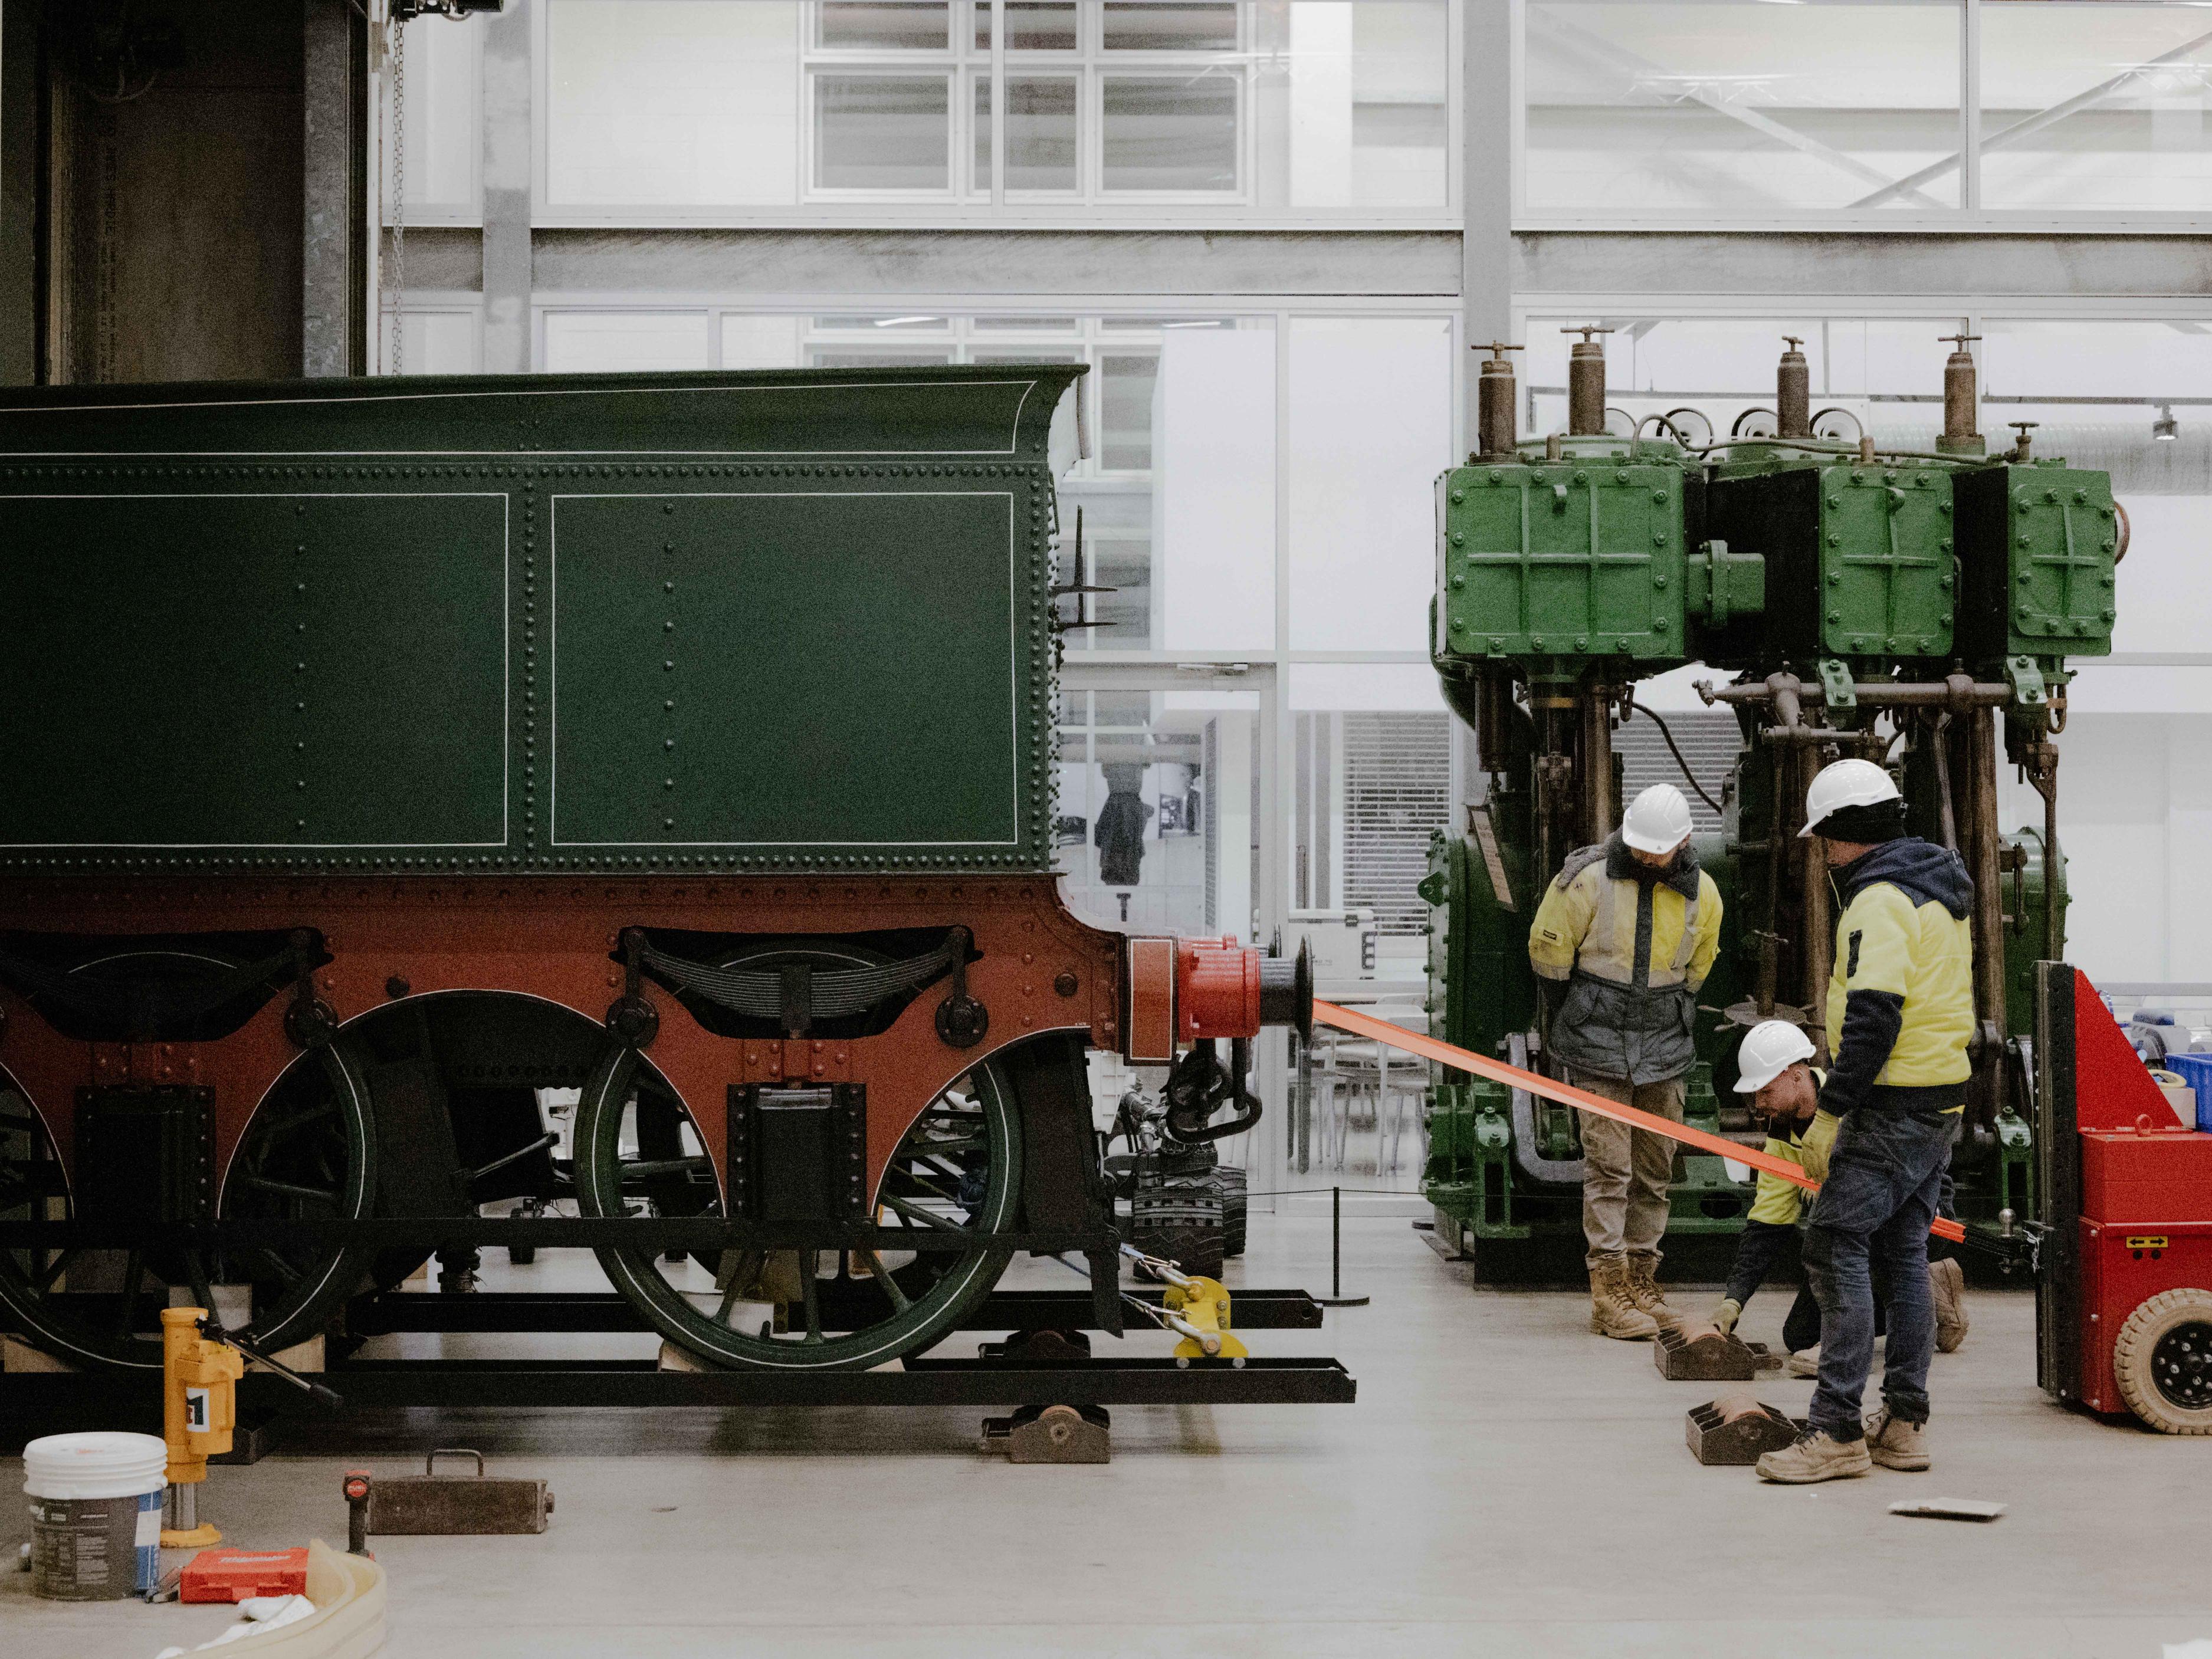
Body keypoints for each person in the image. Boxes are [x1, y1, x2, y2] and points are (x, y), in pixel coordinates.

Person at [1754, 758, 1974, 1485]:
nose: (1821, 852)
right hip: (1938, 1097)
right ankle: (1905, 1423)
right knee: (1904, 1253)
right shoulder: (1937, 889)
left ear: (1844, 835)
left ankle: (1837, 1428)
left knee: (1833, 1245)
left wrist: (1831, 1113)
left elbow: (1876, 1015)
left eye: (1823, 838)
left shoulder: (1880, 899)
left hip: (1892, 1101)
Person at [1528, 783, 1723, 1339]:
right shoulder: (1586, 880)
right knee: (1609, 1169)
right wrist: (1584, 1014)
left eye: (1656, 849)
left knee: (1655, 1170)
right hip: (1598, 1044)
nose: (1645, 857)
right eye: (1639, 846)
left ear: (1684, 841)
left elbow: (1700, 964)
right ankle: (1608, 1290)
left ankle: (1642, 1279)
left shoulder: (1702, 892)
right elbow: (1547, 953)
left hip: (1664, 1044)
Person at [1709, 1020, 1966, 1377]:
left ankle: (1904, 1304)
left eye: (1764, 1091)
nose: (1757, 1104)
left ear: (1795, 1075)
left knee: (1870, 1251)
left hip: (1915, 1218)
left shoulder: (1856, 1104)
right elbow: (1768, 1223)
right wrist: (1733, 1301)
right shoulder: (1782, 1135)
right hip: (1853, 1231)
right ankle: (1931, 1298)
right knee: (1799, 1335)